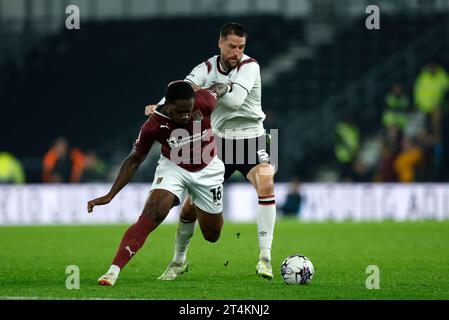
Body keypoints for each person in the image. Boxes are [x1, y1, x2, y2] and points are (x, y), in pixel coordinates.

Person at [146, 23, 277, 280]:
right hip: (217, 143)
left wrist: (206, 91)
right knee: (189, 208)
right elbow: (182, 89)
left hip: (251, 139)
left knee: (266, 183)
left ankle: (265, 258)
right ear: (220, 43)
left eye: (241, 47)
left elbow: (235, 100)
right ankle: (178, 261)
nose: (236, 52)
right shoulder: (204, 68)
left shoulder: (250, 67)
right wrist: (161, 105)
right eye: (232, 46)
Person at [87, 81, 230, 286]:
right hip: (174, 167)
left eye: (189, 111)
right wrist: (110, 195)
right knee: (151, 214)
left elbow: (218, 88)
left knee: (212, 235)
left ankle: (190, 207)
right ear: (167, 105)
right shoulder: (153, 125)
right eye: (180, 112)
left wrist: (230, 87)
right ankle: (112, 271)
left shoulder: (204, 101)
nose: (186, 116)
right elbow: (134, 159)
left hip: (208, 170)